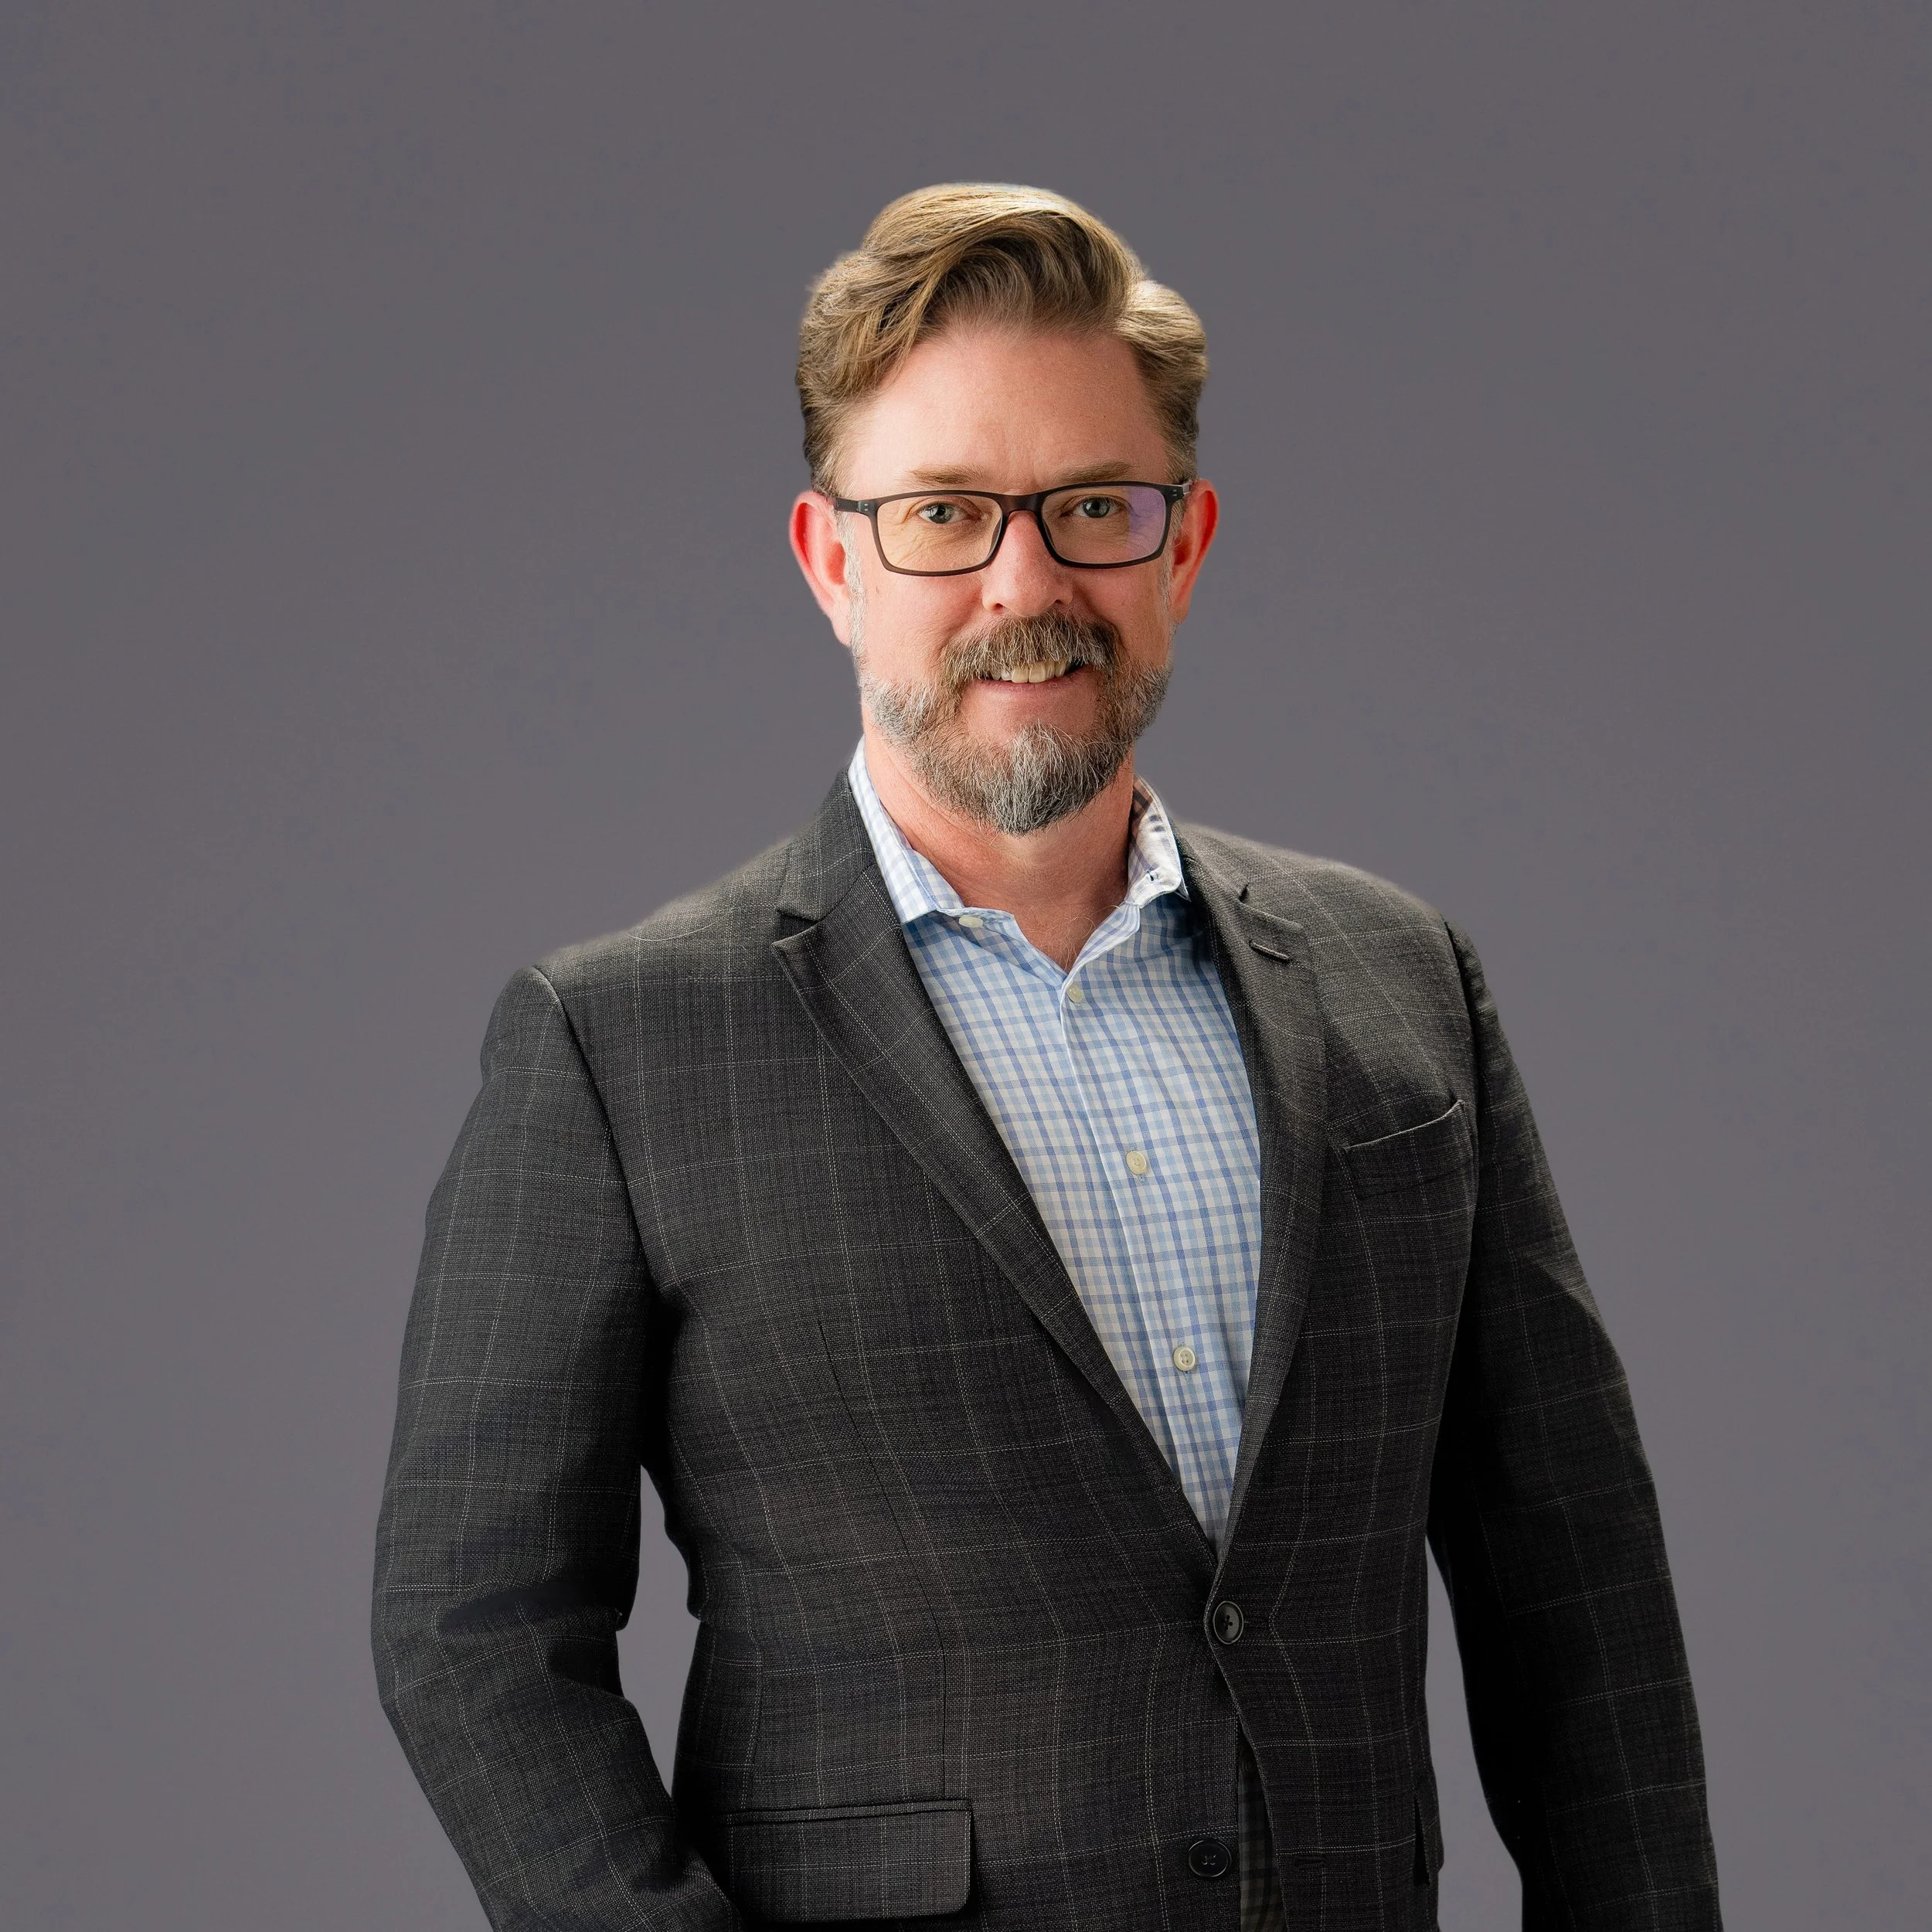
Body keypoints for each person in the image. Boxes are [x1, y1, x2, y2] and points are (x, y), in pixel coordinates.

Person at [373, 183, 1721, 1932]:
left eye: (1091, 505)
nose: (1026, 582)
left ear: (1183, 541)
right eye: (942, 512)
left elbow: (1577, 1582)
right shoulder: (622, 1043)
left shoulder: (1404, 983)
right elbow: (470, 1628)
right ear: (829, 560)